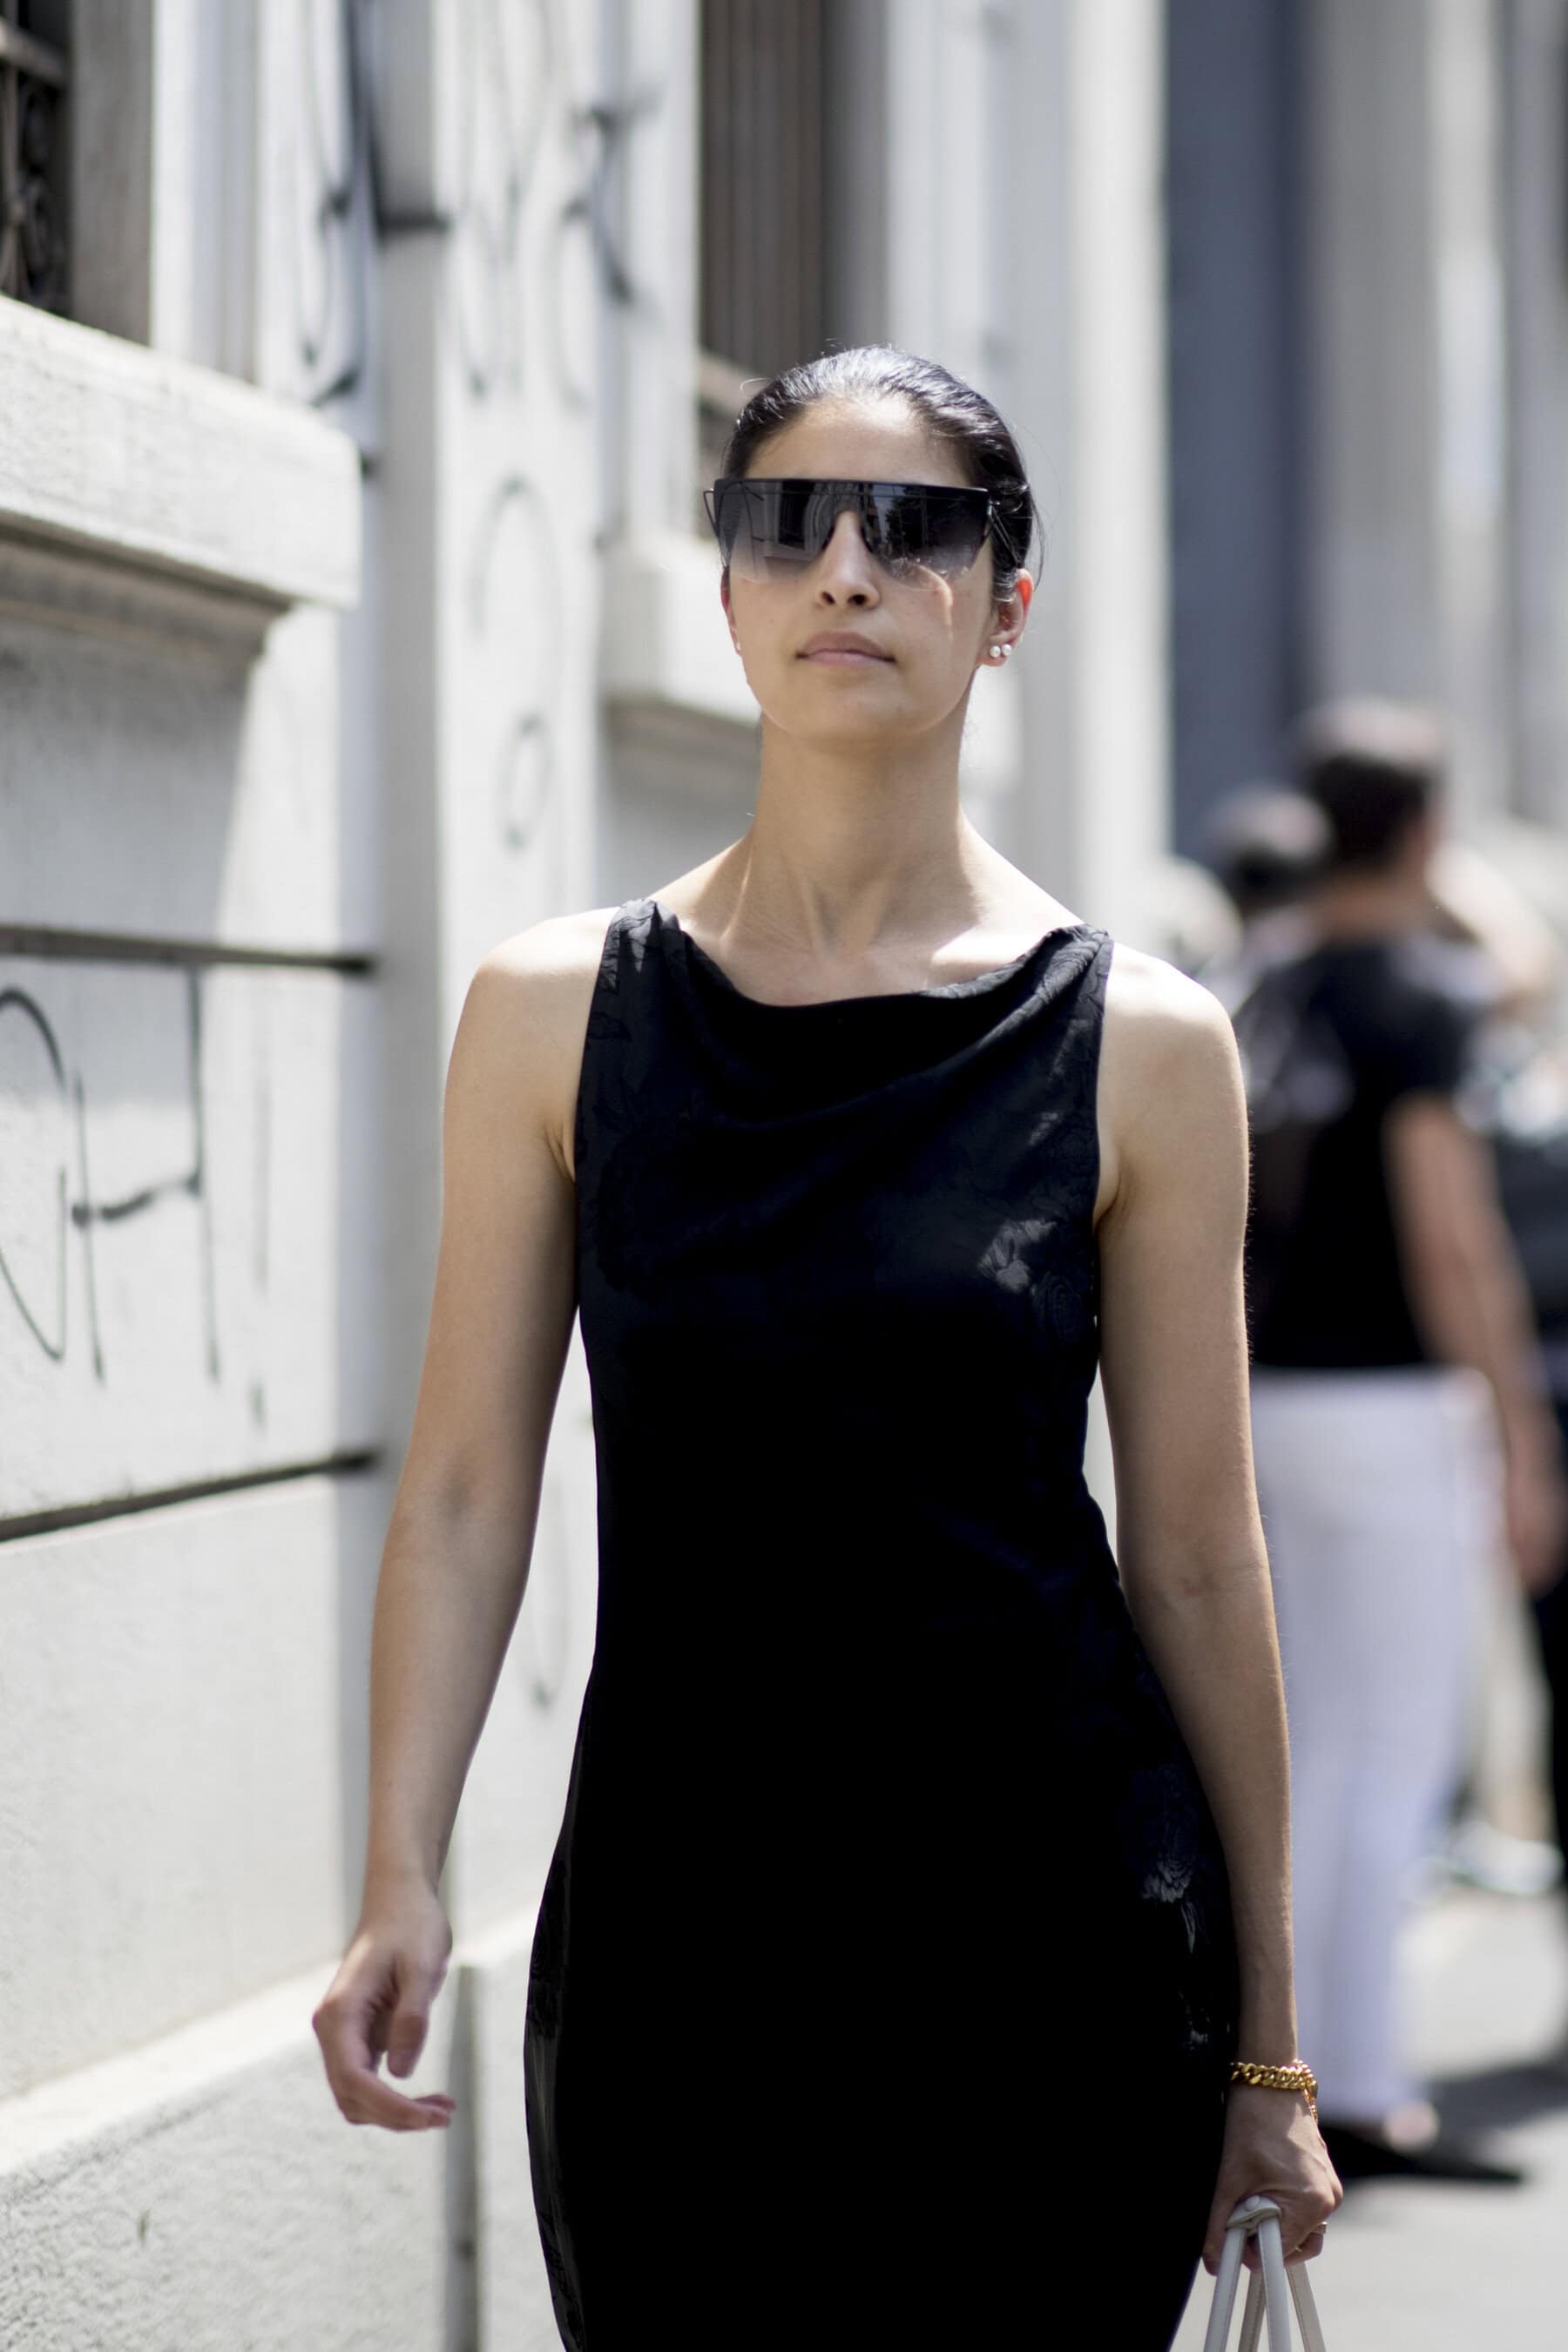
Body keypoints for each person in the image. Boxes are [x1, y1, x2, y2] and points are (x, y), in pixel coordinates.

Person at [313, 347, 1338, 2348]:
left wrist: (1274, 2050)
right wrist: (399, 1872)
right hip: (683, 1943)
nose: (848, 569)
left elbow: (1202, 1557)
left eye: (916, 527)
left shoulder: (1141, 1043)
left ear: (1005, 604)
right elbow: (462, 1494)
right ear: (728, 590)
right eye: (790, 523)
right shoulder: (552, 1015)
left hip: (1055, 1942)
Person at [1233, 699, 1567, 2185]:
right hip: (1389, 1409)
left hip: (1266, 1403)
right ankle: (1360, 2090)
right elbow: (1454, 1239)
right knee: (1394, 1753)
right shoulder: (1423, 995)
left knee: (1308, 1749)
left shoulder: (1261, 980)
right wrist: (1520, 1433)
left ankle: (1291, 2068)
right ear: (1426, 833)